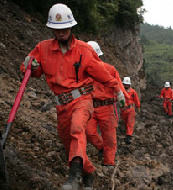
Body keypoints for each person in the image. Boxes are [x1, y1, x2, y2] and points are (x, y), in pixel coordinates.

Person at [20, 4, 126, 190]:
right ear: (52, 28)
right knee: (70, 142)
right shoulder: (43, 49)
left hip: (83, 100)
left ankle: (73, 176)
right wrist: (30, 65)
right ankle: (89, 172)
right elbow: (32, 70)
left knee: (78, 128)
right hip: (62, 105)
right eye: (57, 29)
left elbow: (103, 74)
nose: (61, 33)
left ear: (71, 27)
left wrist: (118, 91)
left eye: (64, 29)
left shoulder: (84, 51)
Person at [85, 41, 129, 167]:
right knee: (89, 132)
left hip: (107, 107)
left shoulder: (110, 69)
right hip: (90, 106)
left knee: (109, 137)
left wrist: (124, 100)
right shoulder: (83, 71)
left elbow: (119, 86)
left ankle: (109, 162)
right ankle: (101, 148)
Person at [120, 77, 140, 145]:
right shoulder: (120, 91)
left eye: (127, 84)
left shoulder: (133, 92)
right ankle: (127, 132)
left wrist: (138, 108)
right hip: (123, 110)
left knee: (130, 123)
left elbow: (136, 100)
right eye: (125, 84)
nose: (126, 86)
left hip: (131, 109)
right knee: (125, 122)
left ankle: (128, 137)